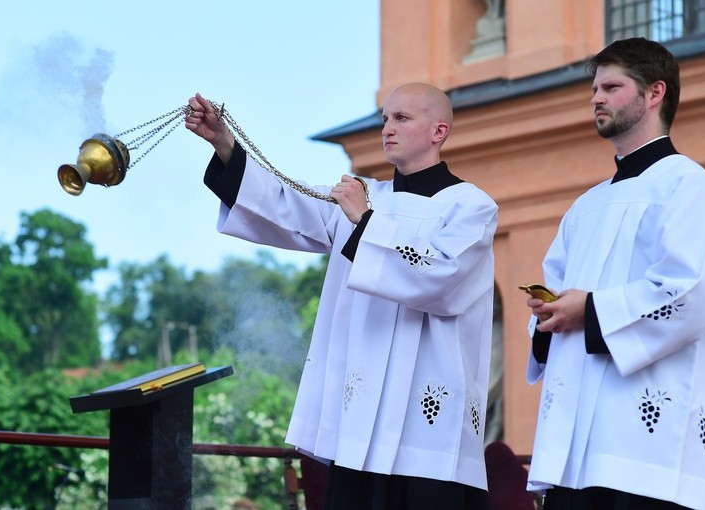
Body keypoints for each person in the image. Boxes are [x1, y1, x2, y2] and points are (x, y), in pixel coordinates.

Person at [186, 82, 498, 509]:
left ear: (438, 131)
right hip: (361, 427)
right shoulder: (364, 195)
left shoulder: (471, 207)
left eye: (402, 118)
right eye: (385, 118)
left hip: (430, 439)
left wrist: (366, 222)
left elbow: (441, 279)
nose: (387, 128)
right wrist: (226, 146)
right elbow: (285, 204)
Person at [524, 37, 705, 510]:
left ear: (655, 92)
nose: (596, 98)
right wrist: (548, 314)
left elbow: (692, 294)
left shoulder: (689, 186)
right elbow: (559, 295)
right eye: (594, 89)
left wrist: (592, 311)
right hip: (575, 453)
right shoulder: (585, 206)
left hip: (648, 455)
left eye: (612, 86)